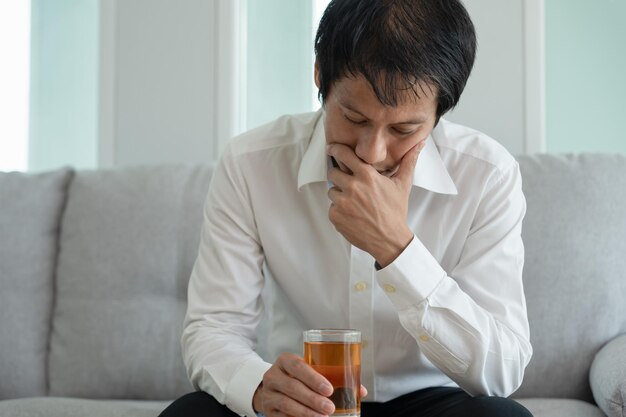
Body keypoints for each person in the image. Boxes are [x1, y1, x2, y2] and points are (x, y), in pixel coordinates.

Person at [159, 0, 533, 416]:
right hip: (307, 401)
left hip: (432, 403)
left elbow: (502, 370)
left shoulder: (487, 174)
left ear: (440, 111)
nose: (372, 152)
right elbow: (214, 327)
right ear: (320, 75)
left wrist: (395, 247)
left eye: (403, 130)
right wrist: (260, 385)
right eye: (354, 118)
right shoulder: (251, 163)